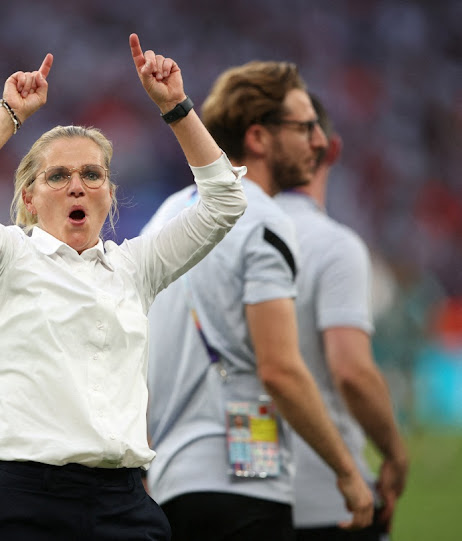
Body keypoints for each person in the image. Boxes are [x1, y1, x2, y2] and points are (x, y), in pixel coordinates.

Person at [0, 33, 248, 541]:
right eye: (59, 176)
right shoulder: (5, 257)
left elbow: (226, 201)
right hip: (26, 501)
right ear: (28, 197)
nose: (77, 184)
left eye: (92, 174)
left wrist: (177, 108)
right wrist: (9, 113)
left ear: (109, 193)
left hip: (124, 503)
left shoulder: (136, 266)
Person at [143, 61, 375, 540]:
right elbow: (280, 371)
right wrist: (348, 472)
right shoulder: (264, 220)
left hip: (164, 483)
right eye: (305, 126)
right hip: (243, 489)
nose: (319, 141)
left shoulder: (167, 213)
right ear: (258, 137)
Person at [276, 93, 409, 540]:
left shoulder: (208, 234)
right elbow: (351, 371)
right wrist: (394, 452)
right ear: (331, 148)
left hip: (232, 492)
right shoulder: (334, 245)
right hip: (327, 495)